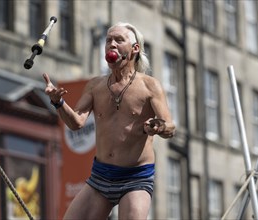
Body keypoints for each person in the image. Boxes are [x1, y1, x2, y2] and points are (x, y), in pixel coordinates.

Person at [43, 22, 175, 220]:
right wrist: (58, 102)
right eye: (108, 41)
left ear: (134, 49)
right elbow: (76, 123)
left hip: (135, 178)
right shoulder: (95, 86)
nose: (111, 44)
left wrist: (160, 126)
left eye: (119, 40)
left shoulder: (150, 86)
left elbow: (170, 127)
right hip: (101, 176)